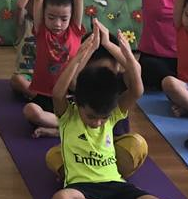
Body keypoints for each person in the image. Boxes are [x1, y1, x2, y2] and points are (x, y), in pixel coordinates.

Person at [50, 23, 173, 199]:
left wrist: (118, 49)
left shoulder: (113, 113)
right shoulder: (69, 116)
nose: (98, 123)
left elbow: (137, 89)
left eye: (103, 118)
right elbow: (58, 92)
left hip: (116, 184)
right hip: (81, 188)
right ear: (78, 103)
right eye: (91, 116)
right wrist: (80, 54)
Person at [44, 24, 149, 181]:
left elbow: (136, 79)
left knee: (138, 145)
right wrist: (85, 51)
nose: (100, 79)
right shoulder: (83, 88)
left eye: (106, 72)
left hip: (112, 148)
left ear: (118, 67)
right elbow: (69, 84)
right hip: (81, 151)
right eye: (95, 72)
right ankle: (83, 173)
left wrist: (109, 45)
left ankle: (106, 173)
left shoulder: (118, 83)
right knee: (53, 156)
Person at [22, 0, 85, 137]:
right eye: (51, 17)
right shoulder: (42, 30)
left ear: (71, 17)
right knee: (30, 111)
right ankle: (65, 128)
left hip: (69, 95)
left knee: (89, 111)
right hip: (44, 95)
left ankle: (59, 128)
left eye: (63, 19)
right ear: (44, 15)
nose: (57, 23)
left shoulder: (74, 29)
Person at [9, 0, 62, 99]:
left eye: (40, 1)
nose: (37, 5)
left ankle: (47, 96)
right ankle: (40, 97)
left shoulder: (51, 23)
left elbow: (64, 1)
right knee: (16, 80)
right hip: (28, 77)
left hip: (49, 75)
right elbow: (20, 6)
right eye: (32, 1)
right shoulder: (23, 23)